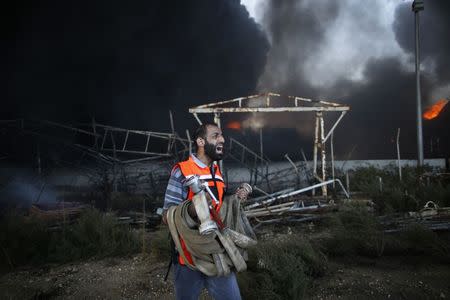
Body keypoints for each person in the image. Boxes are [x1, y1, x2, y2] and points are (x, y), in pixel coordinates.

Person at [162, 122, 249, 300]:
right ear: (201, 142)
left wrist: (234, 200)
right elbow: (166, 215)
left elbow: (218, 207)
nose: (222, 139)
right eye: (216, 135)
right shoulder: (182, 171)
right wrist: (193, 209)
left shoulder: (216, 172)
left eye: (222, 135)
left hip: (217, 253)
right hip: (188, 258)